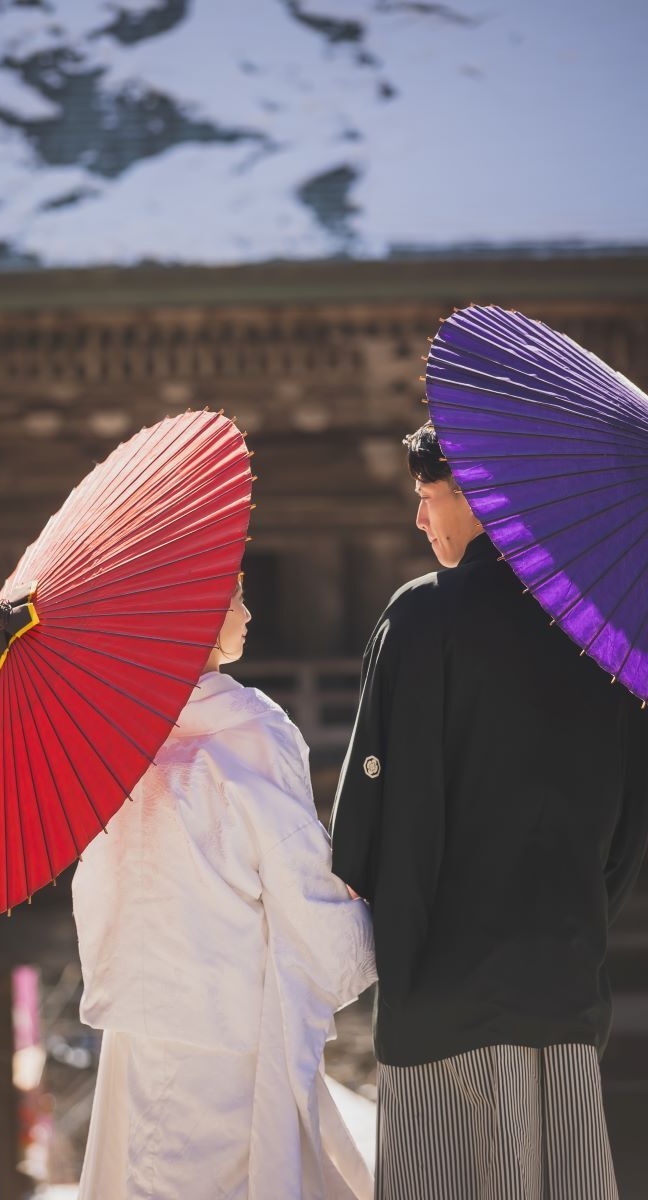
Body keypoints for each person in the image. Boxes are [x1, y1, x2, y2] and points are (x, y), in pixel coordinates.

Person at [330, 421, 648, 1200]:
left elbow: (363, 833)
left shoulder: (420, 618)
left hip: (446, 990)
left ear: (472, 495)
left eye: (426, 496)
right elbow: (628, 831)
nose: (419, 519)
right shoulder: (600, 627)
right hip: (563, 983)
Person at [73, 575, 377, 1200]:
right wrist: (364, 928)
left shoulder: (124, 737)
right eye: (235, 594)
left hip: (146, 1007)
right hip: (230, 1010)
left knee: (149, 1168)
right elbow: (295, 873)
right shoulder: (251, 729)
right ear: (200, 615)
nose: (247, 608)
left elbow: (100, 878)